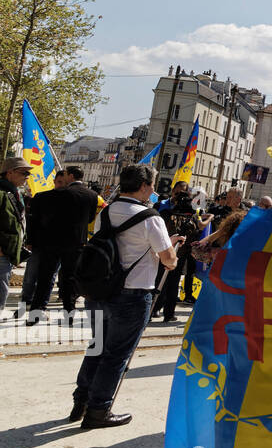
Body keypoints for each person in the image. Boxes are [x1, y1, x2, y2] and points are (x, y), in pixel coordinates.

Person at [72, 163, 183, 428]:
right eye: (152, 185)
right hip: (132, 295)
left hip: (100, 291)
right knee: (116, 355)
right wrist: (172, 249)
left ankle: (81, 401)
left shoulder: (107, 212)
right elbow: (168, 260)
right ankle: (98, 411)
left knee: (97, 347)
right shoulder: (151, 218)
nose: (153, 191)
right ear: (144, 186)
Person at [26, 165, 101, 324]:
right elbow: (89, 220)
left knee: (45, 277)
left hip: (51, 242)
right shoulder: (92, 196)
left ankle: (36, 311)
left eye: (65, 175)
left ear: (71, 176)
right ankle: (69, 312)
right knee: (70, 278)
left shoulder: (51, 195)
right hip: (76, 243)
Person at [152, 188, 208, 322]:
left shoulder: (166, 213)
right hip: (177, 253)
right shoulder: (186, 215)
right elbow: (197, 229)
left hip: (166, 251)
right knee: (172, 283)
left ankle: (155, 310)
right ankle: (167, 313)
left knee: (161, 281)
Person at [0, 156, 33, 317]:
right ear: (10, 172)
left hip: (8, 252)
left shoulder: (13, 192)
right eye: (23, 173)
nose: (27, 177)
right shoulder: (2, 192)